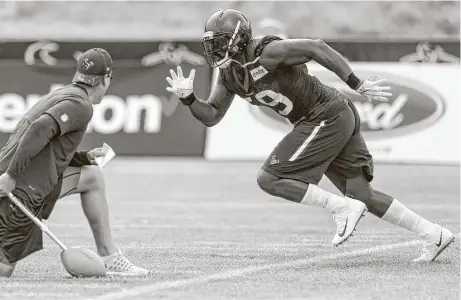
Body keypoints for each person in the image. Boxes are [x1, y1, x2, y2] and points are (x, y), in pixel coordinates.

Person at [165, 9, 454, 262]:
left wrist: (356, 82)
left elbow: (317, 47)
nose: (214, 49)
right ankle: (434, 234)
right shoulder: (230, 74)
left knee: (269, 178)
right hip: (331, 115)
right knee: (361, 194)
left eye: (219, 42)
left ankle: (340, 207)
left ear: (239, 39)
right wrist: (189, 98)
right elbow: (213, 114)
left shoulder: (268, 52)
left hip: (324, 114)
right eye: (211, 43)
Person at [0, 48, 148, 277]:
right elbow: (38, 129)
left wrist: (84, 157)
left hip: (21, 181)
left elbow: (47, 143)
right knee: (3, 269)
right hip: (20, 192)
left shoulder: (65, 94)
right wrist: (10, 176)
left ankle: (109, 257)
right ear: (105, 79)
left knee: (92, 175)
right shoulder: (81, 105)